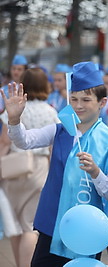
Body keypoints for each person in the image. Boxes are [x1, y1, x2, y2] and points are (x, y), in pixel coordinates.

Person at [1, 61, 108, 267]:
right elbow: (25, 140)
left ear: (102, 102)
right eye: (73, 99)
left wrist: (95, 172)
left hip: (85, 229)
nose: (78, 105)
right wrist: (14, 120)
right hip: (52, 223)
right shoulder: (60, 130)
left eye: (85, 99)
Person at [0, 68, 59, 267]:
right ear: (45, 86)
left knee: (15, 225)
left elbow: (4, 142)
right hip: (40, 168)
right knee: (29, 225)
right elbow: (54, 146)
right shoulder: (51, 111)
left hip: (13, 167)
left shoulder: (15, 108)